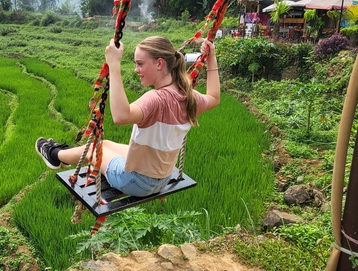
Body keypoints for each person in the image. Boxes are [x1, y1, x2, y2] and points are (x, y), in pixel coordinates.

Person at [35, 35, 220, 197]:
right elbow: (213, 97)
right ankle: (63, 155)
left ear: (160, 63)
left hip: (135, 182)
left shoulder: (155, 99)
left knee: (93, 150)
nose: (135, 69)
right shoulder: (189, 96)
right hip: (164, 177)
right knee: (105, 145)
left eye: (140, 64)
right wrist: (212, 58)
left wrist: (114, 65)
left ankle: (54, 154)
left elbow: (121, 116)